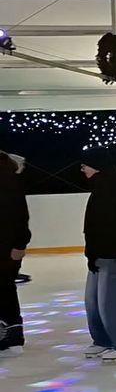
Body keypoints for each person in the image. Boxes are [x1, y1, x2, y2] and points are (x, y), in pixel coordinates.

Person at [79, 150, 116, 364]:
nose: (82, 168)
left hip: (112, 254)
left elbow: (109, 226)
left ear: (97, 166)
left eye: (85, 164)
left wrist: (98, 252)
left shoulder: (108, 188)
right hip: (99, 255)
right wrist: (93, 253)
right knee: (93, 301)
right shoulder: (100, 187)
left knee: (112, 303)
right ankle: (102, 340)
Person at [0, 151, 30, 358]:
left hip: (8, 249)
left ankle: (13, 335)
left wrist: (19, 245)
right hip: (9, 248)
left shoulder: (12, 187)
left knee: (5, 288)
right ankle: (8, 333)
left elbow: (21, 219)